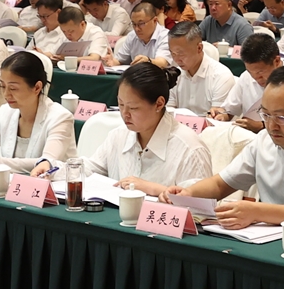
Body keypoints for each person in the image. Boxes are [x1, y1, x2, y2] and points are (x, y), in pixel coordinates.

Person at [170, 65, 284, 229]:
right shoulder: (263, 141)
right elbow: (221, 184)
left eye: (281, 117)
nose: (271, 126)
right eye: (265, 115)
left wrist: (257, 212)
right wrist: (187, 193)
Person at [83, 61, 214, 193]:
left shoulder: (190, 149)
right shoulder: (118, 135)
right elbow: (89, 170)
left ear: (159, 104)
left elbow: (201, 203)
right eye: (121, 104)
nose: (124, 114)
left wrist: (156, 189)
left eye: (133, 108)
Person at [213, 32, 282, 129]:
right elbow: (230, 109)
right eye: (250, 72)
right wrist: (222, 116)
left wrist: (261, 126)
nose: (255, 78)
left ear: (277, 61)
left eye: (260, 72)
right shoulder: (246, 76)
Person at [168, 20, 236, 114]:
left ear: (199, 48)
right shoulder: (175, 75)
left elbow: (217, 117)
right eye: (172, 53)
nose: (176, 59)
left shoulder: (221, 76)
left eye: (180, 53)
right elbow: (168, 110)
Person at [106, 0, 171, 68]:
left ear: (154, 21)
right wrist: (112, 61)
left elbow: (162, 63)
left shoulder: (166, 36)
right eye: (134, 24)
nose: (137, 29)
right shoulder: (132, 36)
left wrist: (148, 61)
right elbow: (119, 60)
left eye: (141, 23)